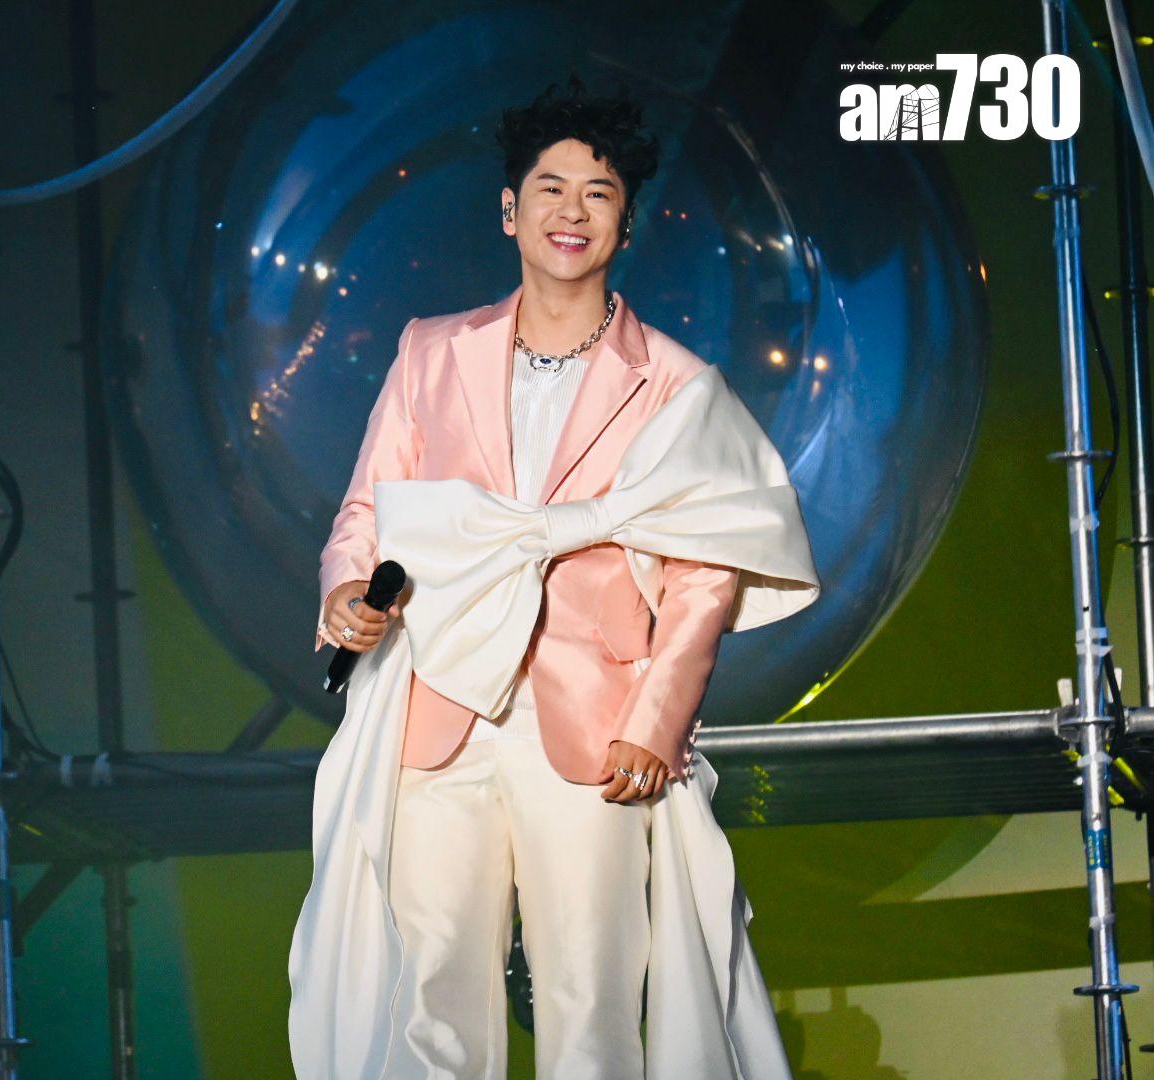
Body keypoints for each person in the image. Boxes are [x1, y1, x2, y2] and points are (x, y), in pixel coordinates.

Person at [305, 76, 793, 1077]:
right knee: (429, 990)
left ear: (626, 221)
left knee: (590, 999)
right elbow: (369, 510)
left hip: (591, 723)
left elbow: (705, 574)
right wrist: (348, 592)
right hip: (441, 703)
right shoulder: (432, 350)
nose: (572, 211)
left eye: (598, 193)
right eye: (551, 189)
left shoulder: (674, 381)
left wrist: (656, 723)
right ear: (509, 209)